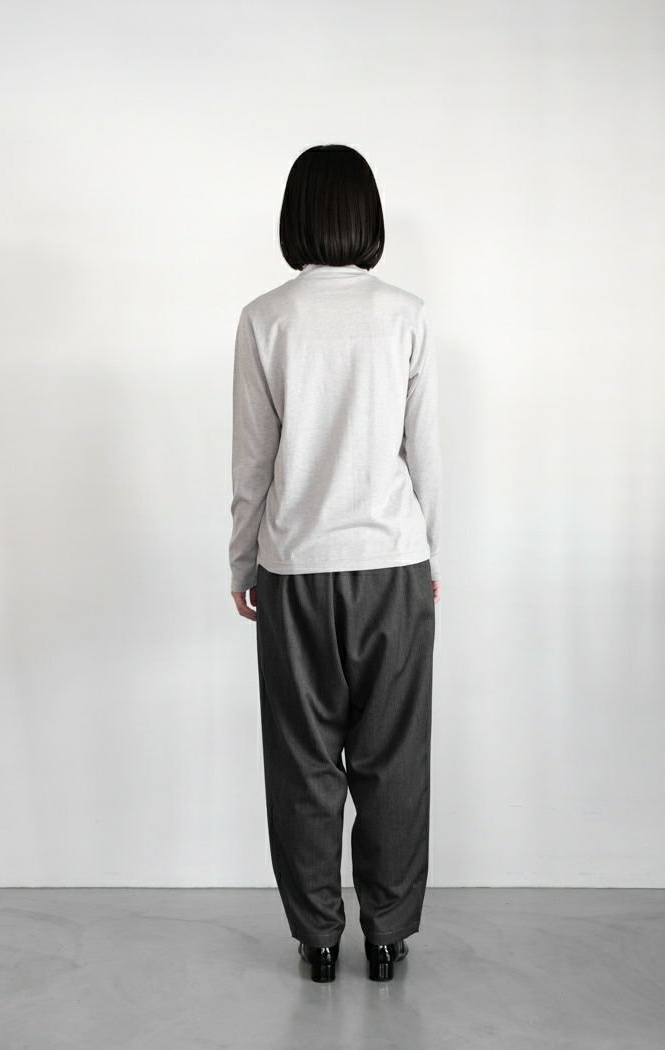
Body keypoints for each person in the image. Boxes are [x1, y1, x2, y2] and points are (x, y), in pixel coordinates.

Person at [228, 144, 442, 983]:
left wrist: (242, 562)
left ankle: (318, 940)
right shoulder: (406, 314)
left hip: (295, 568)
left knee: (303, 760)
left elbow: (253, 460)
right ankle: (387, 937)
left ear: (296, 217)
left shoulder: (266, 318)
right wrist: (430, 556)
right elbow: (426, 457)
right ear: (367, 217)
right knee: (395, 758)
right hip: (392, 564)